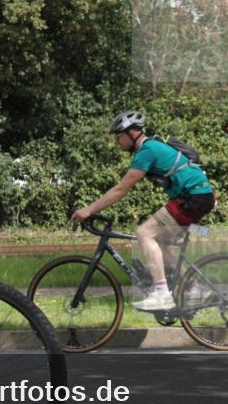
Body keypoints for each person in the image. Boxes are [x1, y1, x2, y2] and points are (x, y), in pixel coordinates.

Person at [71, 111, 215, 311]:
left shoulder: (147, 150)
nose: (117, 141)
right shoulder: (150, 148)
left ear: (131, 133)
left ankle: (162, 294)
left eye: (119, 136)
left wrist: (87, 210)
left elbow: (120, 190)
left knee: (144, 233)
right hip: (197, 197)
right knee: (159, 244)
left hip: (192, 198)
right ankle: (194, 289)